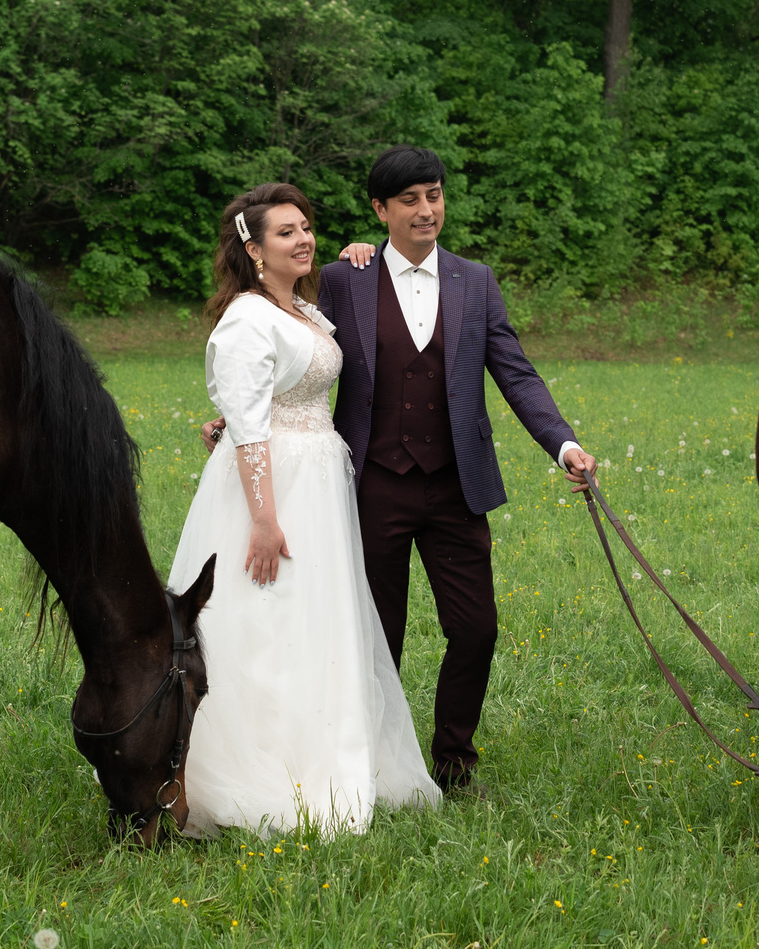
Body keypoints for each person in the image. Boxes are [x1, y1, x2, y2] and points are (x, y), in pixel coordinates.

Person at [209, 147, 598, 792]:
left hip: (456, 483)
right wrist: (233, 422)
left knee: (476, 631)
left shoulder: (477, 282)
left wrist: (563, 445)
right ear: (380, 210)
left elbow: (515, 372)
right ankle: (372, 763)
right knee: (372, 634)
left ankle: (452, 756)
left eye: (435, 195)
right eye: (410, 199)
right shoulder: (341, 279)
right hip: (371, 485)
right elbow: (282, 349)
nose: (426, 210)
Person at [164, 184, 440, 836]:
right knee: (263, 616)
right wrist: (263, 517)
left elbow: (277, 388)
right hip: (272, 489)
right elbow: (250, 423)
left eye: (306, 227)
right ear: (253, 249)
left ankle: (324, 746)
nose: (303, 239)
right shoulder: (246, 318)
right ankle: (257, 764)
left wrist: (359, 255)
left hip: (319, 482)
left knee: (317, 618)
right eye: (285, 232)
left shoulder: (304, 309)